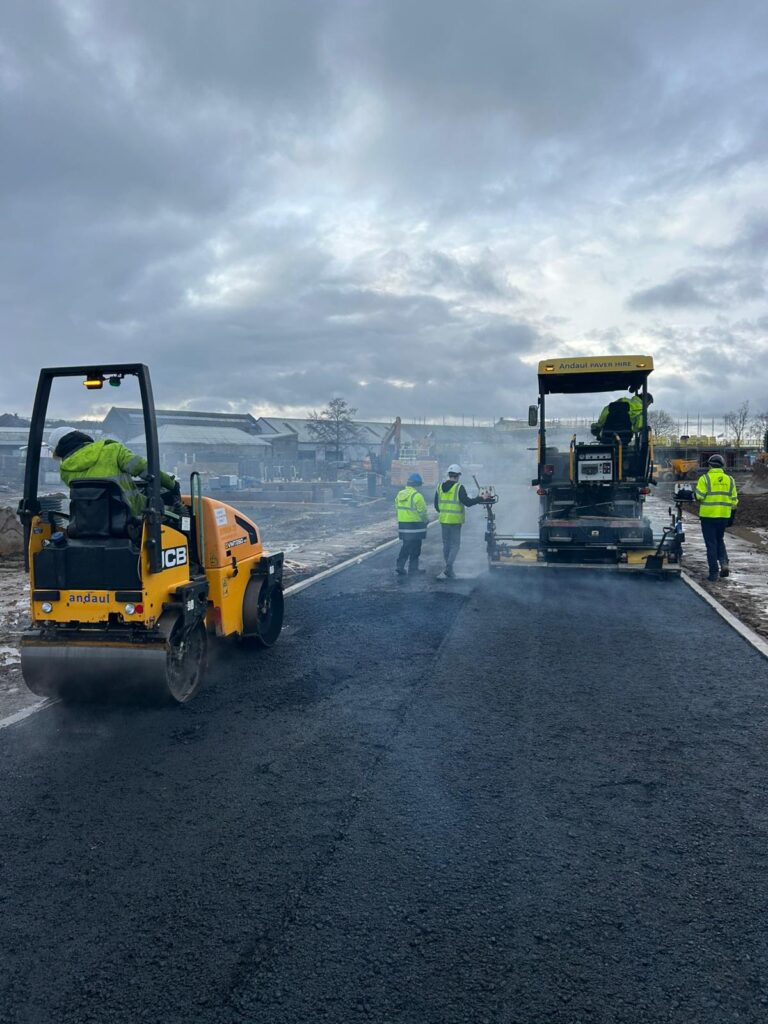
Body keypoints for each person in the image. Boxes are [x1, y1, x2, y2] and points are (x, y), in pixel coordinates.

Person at [47, 426, 179, 518]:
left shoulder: (66, 471)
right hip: (130, 516)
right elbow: (143, 468)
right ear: (79, 436)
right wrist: (171, 484)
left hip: (89, 522)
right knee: (172, 512)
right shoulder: (113, 450)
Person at [434, 464, 483, 580]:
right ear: (458, 475)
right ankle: (449, 567)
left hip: (444, 521)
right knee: (455, 545)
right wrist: (481, 498)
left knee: (446, 545)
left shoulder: (439, 487)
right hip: (455, 522)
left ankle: (449, 568)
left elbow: (436, 505)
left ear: (449, 474)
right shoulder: (459, 487)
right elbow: (468, 503)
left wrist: (444, 512)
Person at [695, 453, 738, 582]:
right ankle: (724, 563)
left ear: (710, 465)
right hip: (724, 516)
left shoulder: (705, 479)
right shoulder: (730, 480)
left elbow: (699, 496)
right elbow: (734, 501)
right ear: (722, 465)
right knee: (719, 539)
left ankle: (713, 573)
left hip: (708, 516)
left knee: (711, 544)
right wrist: (731, 516)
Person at [395, 472, 429, 576]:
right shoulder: (417, 496)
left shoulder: (399, 494)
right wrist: (426, 520)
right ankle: (413, 569)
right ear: (417, 485)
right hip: (416, 526)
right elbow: (423, 512)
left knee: (406, 546)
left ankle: (400, 566)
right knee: (416, 548)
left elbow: (397, 508)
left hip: (403, 525)